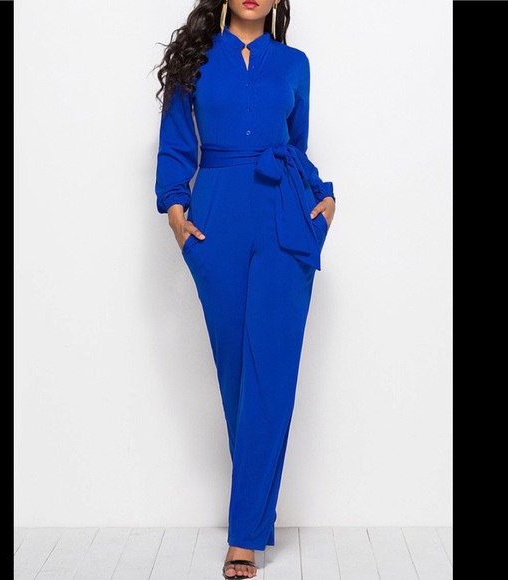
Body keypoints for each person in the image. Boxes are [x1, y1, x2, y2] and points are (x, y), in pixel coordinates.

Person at [154, 0, 335, 577]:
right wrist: (175, 211)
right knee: (237, 374)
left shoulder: (295, 63)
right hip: (217, 216)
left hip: (285, 214)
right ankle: (254, 513)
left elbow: (297, 145)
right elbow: (176, 145)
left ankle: (245, 537)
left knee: (271, 373)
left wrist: (323, 200)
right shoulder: (195, 58)